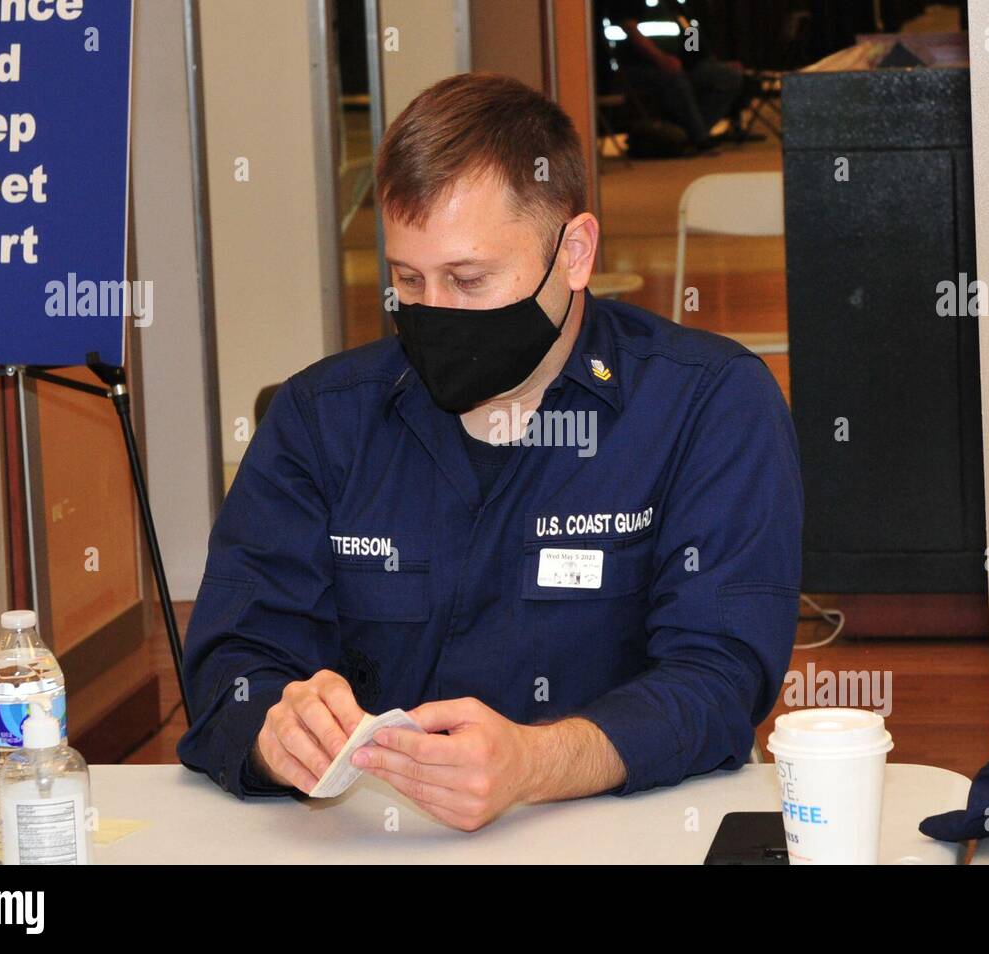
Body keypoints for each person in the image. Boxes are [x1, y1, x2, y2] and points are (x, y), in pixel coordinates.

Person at [177, 72, 802, 831]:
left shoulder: (706, 405)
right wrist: (277, 732)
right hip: (373, 837)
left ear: (573, 252)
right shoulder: (321, 419)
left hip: (619, 833)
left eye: (468, 281)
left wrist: (535, 764)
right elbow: (228, 669)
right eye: (409, 280)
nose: (435, 315)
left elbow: (719, 679)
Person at [599, 0, 745, 151]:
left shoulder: (675, 4)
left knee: (728, 76)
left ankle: (683, 134)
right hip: (640, 67)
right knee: (675, 78)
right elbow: (630, 29)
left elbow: (691, 36)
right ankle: (699, 137)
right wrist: (660, 58)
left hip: (682, 67)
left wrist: (713, 63)